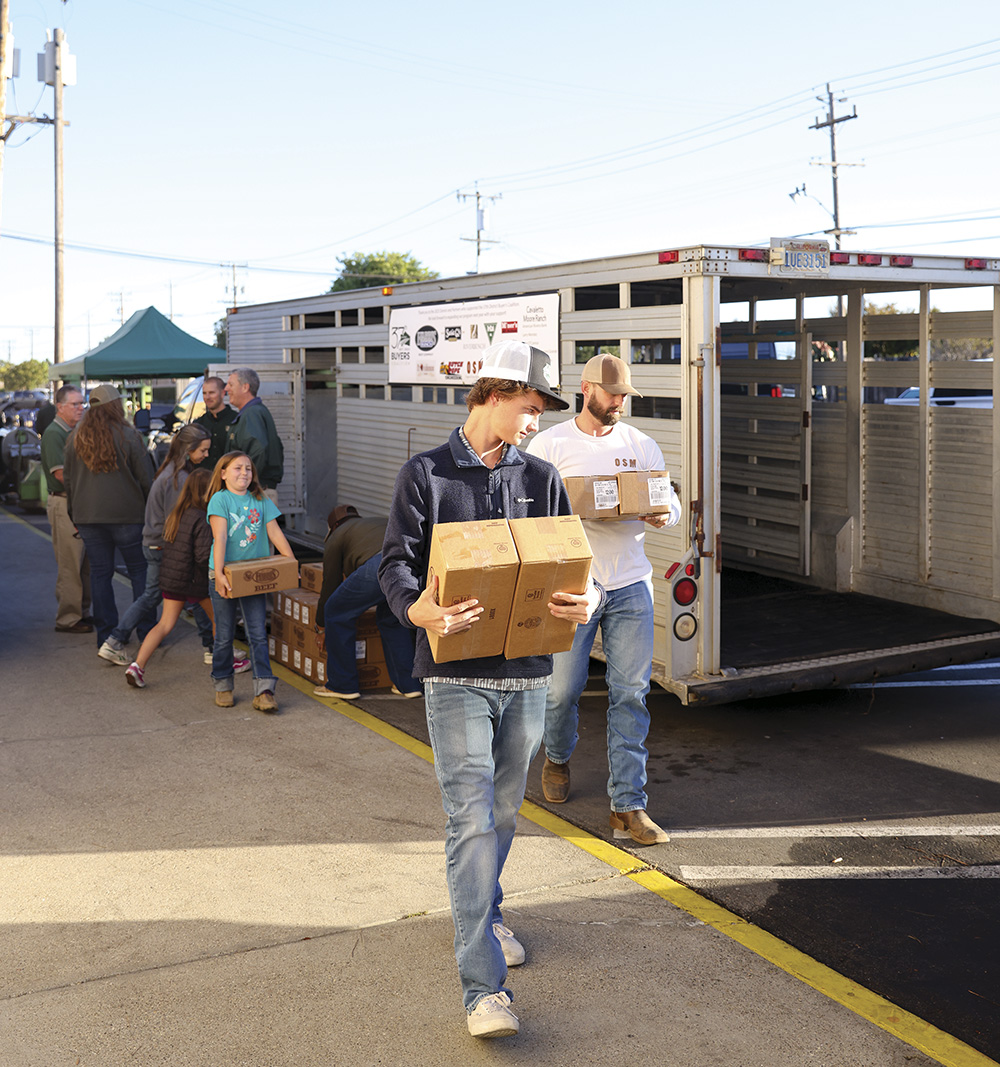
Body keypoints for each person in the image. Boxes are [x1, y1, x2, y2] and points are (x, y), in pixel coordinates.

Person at [378, 340, 602, 1040]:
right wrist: (421, 610)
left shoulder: (541, 478)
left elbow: (576, 567)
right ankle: (484, 989)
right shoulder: (426, 474)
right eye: (529, 407)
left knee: (503, 814)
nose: (535, 421)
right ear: (493, 394)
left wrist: (585, 600)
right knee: (470, 818)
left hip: (527, 675)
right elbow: (396, 566)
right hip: (453, 678)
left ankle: (487, 909)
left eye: (540, 411)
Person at [524, 353, 682, 846]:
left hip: (632, 584)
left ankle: (628, 806)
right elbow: (531, 514)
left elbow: (668, 501)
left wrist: (664, 514)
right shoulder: (549, 445)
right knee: (561, 691)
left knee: (630, 694)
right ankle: (556, 756)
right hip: (573, 586)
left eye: (624, 396)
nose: (619, 403)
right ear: (587, 388)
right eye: (613, 394)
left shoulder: (641, 444)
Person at [96, 424, 226, 669]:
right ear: (189, 450)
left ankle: (210, 645)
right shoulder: (180, 478)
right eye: (203, 450)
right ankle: (116, 639)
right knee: (155, 596)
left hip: (157, 544)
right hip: (161, 547)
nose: (206, 455)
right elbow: (180, 520)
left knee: (193, 595)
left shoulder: (170, 470)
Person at [63, 384, 154, 651]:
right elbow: (146, 479)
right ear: (116, 406)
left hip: (89, 518)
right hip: (128, 516)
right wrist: (153, 515)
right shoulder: (128, 435)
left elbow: (68, 481)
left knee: (100, 574)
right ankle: (147, 630)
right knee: (140, 572)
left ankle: (106, 635)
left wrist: (75, 515)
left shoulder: (76, 436)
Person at [207, 450, 294, 712]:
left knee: (257, 633)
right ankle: (223, 685)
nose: (244, 473)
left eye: (248, 468)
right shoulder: (219, 500)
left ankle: (264, 690)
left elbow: (274, 533)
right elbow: (220, 538)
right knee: (224, 635)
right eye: (237, 468)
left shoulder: (260, 499)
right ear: (223, 474)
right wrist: (220, 574)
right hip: (224, 573)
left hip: (253, 576)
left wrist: (290, 563)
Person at [311, 506, 420, 701]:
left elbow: (330, 584)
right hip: (413, 566)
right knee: (392, 619)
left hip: (382, 564)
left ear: (333, 527)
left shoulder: (337, 536)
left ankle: (342, 685)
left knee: (336, 611)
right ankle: (408, 684)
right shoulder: (372, 523)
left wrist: (321, 626)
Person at [125, 470, 215, 689]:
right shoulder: (203, 518)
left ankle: (137, 665)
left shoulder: (178, 513)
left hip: (172, 579)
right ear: (206, 492)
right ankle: (225, 659)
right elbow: (203, 556)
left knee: (164, 624)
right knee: (220, 621)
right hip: (195, 582)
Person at [40, 385, 92, 633]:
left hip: (75, 501)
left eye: (82, 403)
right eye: (75, 404)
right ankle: (68, 618)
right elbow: (61, 474)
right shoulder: (54, 434)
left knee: (83, 564)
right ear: (60, 407)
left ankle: (81, 611)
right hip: (63, 502)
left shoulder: (72, 431)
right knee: (70, 563)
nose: (81, 408)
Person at [224, 368, 284, 492]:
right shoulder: (255, 412)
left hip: (255, 491)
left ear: (245, 387)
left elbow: (258, 450)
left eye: (231, 384)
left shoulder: (252, 414)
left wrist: (244, 483)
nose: (226, 389)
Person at [194, 375, 237, 471]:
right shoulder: (198, 424)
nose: (207, 397)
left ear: (222, 393)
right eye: (204, 393)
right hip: (203, 480)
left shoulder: (236, 420)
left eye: (212, 393)